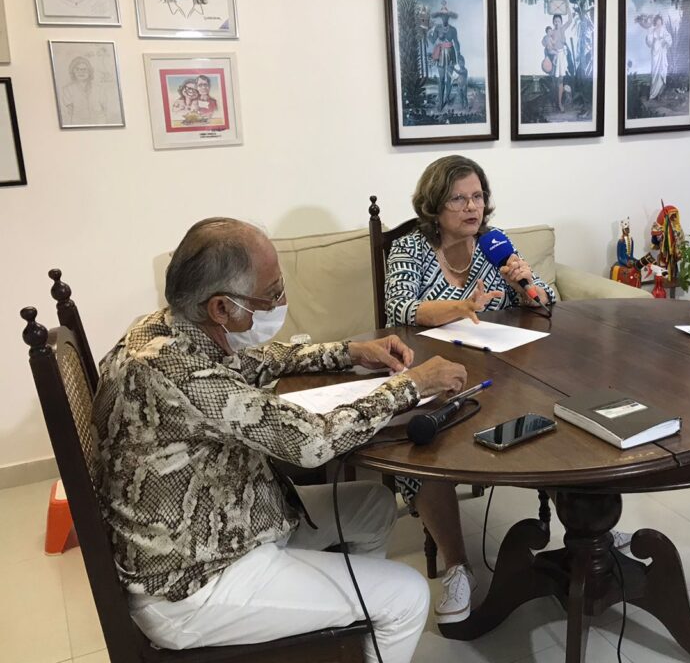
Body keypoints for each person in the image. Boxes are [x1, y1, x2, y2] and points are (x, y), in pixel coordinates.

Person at [92, 217, 467, 663]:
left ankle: (345, 640)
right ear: (220, 308)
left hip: (222, 521)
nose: (282, 302)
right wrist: (412, 386)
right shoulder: (173, 371)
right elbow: (310, 444)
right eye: (272, 294)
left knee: (374, 505)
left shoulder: (165, 329)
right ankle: (365, 622)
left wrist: (349, 351)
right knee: (406, 598)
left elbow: (257, 360)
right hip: (193, 581)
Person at [383, 155, 557, 624]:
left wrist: (522, 283)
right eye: (458, 198)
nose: (471, 207)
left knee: (556, 414)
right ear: (435, 205)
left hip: (498, 368)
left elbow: (546, 301)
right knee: (425, 450)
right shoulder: (409, 247)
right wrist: (461, 306)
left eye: (477, 196)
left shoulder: (494, 247)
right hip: (431, 372)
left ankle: (587, 525)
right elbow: (400, 309)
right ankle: (459, 566)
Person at [427, 2, 461, 111]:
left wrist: (458, 53)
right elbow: (433, 41)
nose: (444, 18)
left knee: (449, 79)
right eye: (442, 16)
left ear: (448, 17)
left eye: (446, 16)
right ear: (440, 17)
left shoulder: (453, 29)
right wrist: (428, 34)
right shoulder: (437, 28)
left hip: (451, 54)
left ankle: (447, 98)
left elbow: (456, 42)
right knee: (441, 79)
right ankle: (441, 102)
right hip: (440, 54)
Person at [60, 55, 110, 125]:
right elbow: (69, 113)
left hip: (99, 123)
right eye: (77, 69)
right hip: (78, 124)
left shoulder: (99, 89)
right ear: (73, 71)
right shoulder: (68, 90)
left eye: (84, 69)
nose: (81, 72)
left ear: (89, 71)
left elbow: (104, 109)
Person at [644, 14, 672, 100]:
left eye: (660, 21)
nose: (659, 22)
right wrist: (651, 38)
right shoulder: (652, 30)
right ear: (655, 21)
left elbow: (669, 38)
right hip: (655, 52)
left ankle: (659, 94)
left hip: (662, 52)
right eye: (657, 21)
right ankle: (653, 94)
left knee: (663, 69)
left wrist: (664, 41)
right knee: (655, 71)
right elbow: (648, 41)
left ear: (661, 22)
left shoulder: (664, 30)